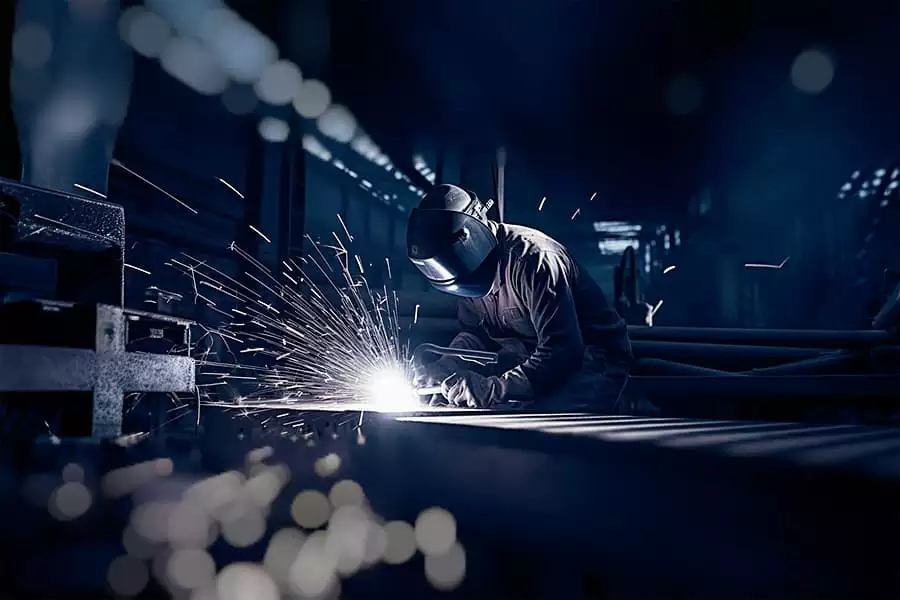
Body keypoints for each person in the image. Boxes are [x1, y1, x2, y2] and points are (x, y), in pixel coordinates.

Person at [407, 184, 633, 410]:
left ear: (470, 238)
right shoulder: (468, 272)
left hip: (591, 361)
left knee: (542, 428)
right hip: (533, 362)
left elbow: (562, 350)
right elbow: (475, 335)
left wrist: (496, 388)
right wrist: (446, 366)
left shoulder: (534, 261)